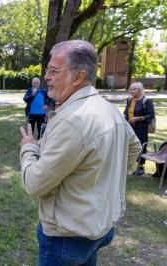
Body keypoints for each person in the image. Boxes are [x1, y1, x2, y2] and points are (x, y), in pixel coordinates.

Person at [19, 40, 142, 265]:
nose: (46, 77)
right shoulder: (108, 108)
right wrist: (100, 178)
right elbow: (134, 148)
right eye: (48, 70)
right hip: (98, 228)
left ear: (79, 76)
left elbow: (34, 184)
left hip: (67, 238)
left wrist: (28, 147)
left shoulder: (72, 120)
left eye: (54, 71)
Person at [123, 82, 155, 176]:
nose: (131, 91)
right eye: (130, 89)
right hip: (129, 127)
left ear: (140, 90)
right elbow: (126, 112)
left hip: (141, 128)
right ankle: (128, 165)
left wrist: (137, 118)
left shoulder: (146, 101)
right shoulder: (129, 100)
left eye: (134, 89)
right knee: (128, 145)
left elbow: (151, 115)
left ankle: (140, 167)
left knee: (140, 146)